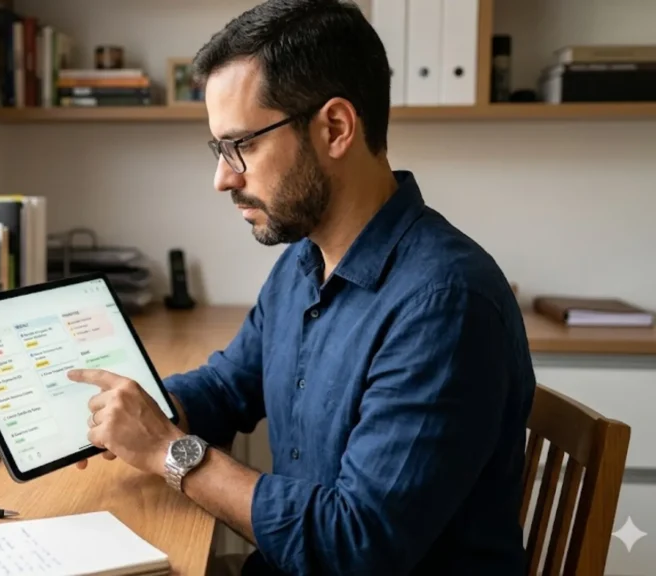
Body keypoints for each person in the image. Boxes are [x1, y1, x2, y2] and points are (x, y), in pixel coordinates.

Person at [65, 0, 536, 574]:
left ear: (335, 128)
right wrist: (126, 411)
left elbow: (354, 545)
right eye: (219, 149)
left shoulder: (445, 305)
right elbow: (227, 387)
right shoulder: (304, 261)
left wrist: (167, 452)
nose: (223, 178)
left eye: (242, 144)